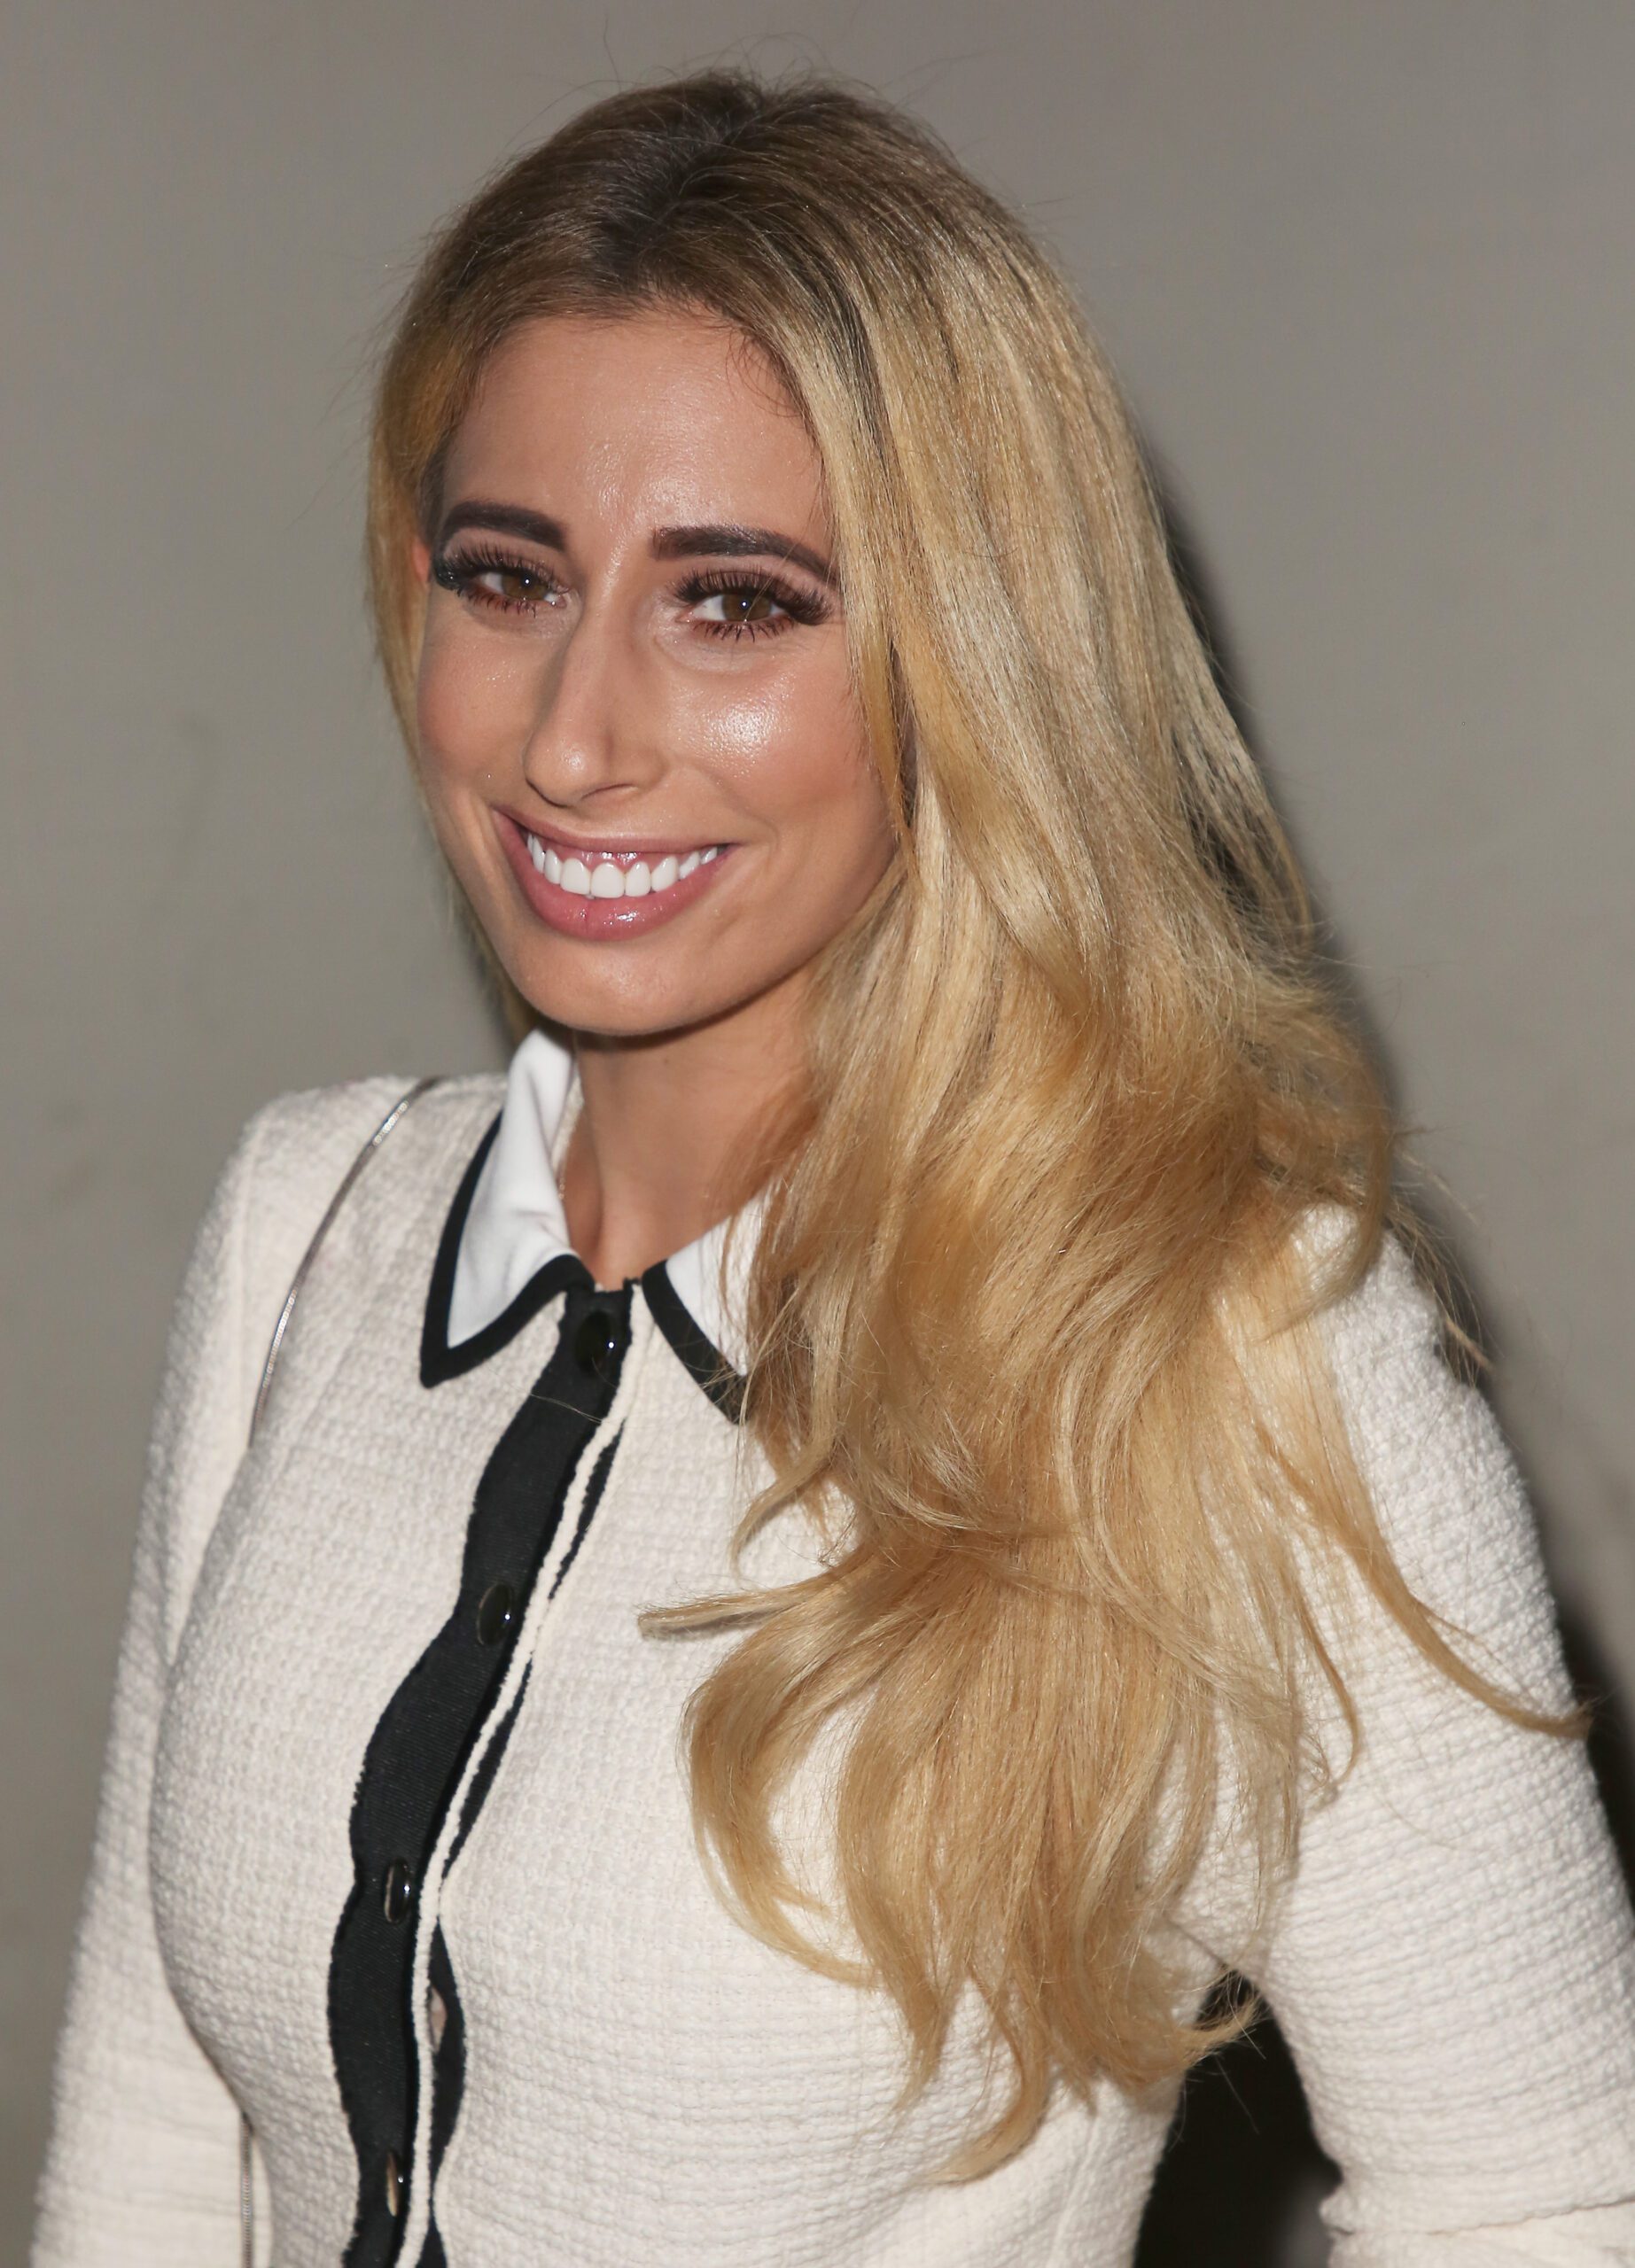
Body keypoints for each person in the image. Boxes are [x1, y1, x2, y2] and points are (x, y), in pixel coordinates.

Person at [32, 65, 1635, 2268]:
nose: (571, 731)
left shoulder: (1228, 1338)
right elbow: (147, 2119)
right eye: (508, 575)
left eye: (736, 602)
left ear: (968, 662)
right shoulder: (311, 1224)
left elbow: (1542, 2192)